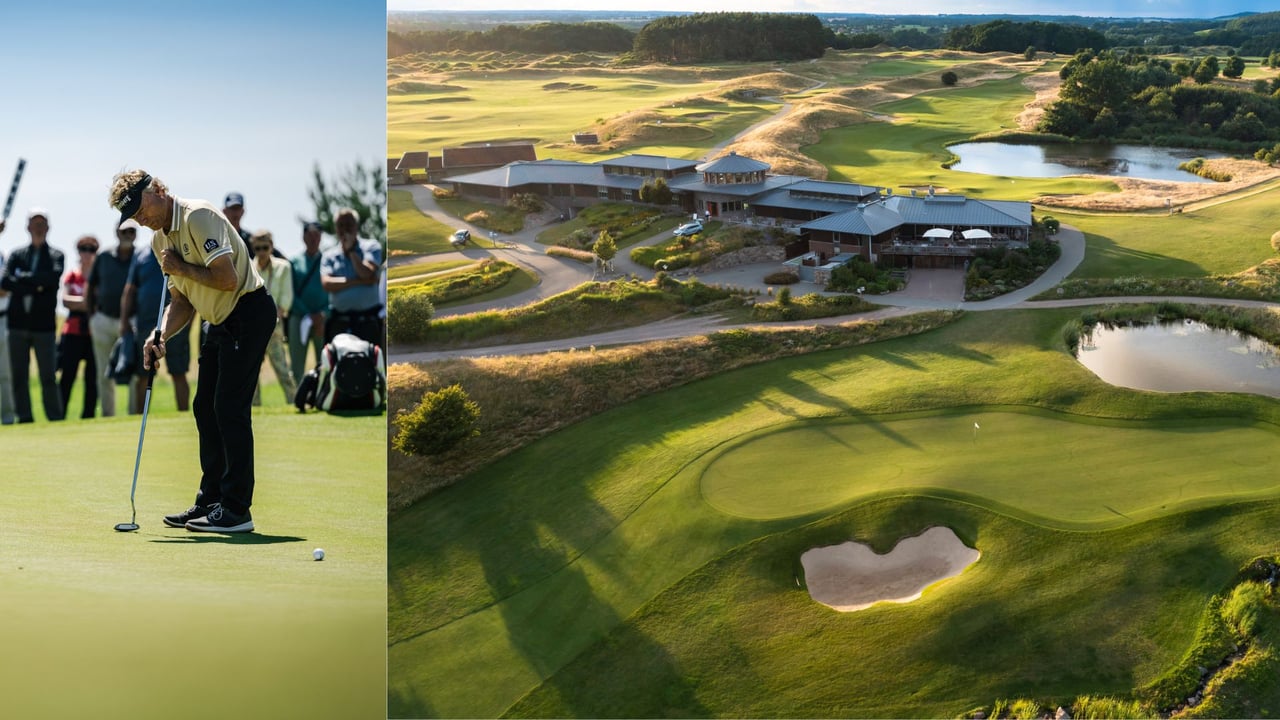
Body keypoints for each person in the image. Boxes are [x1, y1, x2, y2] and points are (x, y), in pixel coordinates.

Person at [111, 169, 274, 533]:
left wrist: (181, 267)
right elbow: (181, 302)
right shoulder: (158, 242)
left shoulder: (198, 216)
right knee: (204, 407)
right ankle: (211, 501)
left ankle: (236, 510)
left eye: (139, 207)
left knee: (229, 408)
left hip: (248, 311)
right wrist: (160, 335)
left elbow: (227, 278)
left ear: (157, 190)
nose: (139, 218)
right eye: (132, 214)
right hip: (217, 322)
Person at [0, 207, 65, 422]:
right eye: (34, 224)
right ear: (28, 227)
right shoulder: (17, 255)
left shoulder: (56, 255)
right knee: (19, 377)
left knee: (48, 376)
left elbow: (52, 279)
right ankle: (25, 418)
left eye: (41, 224)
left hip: (44, 326)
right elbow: (6, 281)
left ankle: (54, 418)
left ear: (48, 227)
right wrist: (36, 285)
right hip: (17, 325)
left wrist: (24, 280)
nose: (38, 228)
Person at [120, 234, 191, 413]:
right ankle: (139, 417)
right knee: (144, 373)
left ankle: (183, 415)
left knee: (178, 372)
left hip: (176, 324)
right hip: (145, 324)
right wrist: (124, 321)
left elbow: (191, 290)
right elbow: (130, 290)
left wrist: (190, 321)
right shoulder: (141, 254)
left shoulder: (178, 253)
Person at [86, 219, 137, 417]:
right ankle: (108, 415)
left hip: (132, 323)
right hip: (103, 319)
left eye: (131, 231)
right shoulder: (104, 257)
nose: (128, 235)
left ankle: (134, 414)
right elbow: (90, 287)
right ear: (116, 233)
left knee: (133, 370)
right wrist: (92, 317)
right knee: (104, 373)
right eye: (124, 231)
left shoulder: (141, 256)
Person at [321, 207, 383, 348]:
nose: (345, 229)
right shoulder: (329, 255)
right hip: (339, 321)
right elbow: (327, 284)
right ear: (336, 228)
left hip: (368, 321)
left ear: (356, 226)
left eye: (349, 225)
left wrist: (351, 252)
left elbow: (366, 273)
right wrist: (357, 281)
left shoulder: (371, 246)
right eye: (341, 225)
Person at [250, 229, 297, 404]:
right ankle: (254, 407)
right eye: (257, 248)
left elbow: (287, 300)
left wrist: (271, 314)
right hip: (252, 327)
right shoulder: (249, 267)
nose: (261, 252)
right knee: (252, 371)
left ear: (272, 247)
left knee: (282, 369)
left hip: (274, 327)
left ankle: (294, 402)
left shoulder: (283, 267)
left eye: (265, 247)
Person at [57, 235, 99, 418]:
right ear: (78, 252)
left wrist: (82, 303)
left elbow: (100, 302)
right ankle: (60, 414)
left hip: (92, 332)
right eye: (84, 249)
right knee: (67, 376)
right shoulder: (72, 275)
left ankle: (88, 415)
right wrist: (86, 302)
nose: (87, 254)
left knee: (92, 378)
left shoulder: (98, 277)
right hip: (72, 331)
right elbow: (65, 301)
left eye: (91, 250)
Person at [287, 220, 327, 384]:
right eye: (309, 235)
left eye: (316, 235)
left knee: (324, 361)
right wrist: (307, 315)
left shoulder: (328, 260)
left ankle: (322, 393)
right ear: (303, 237)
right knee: (297, 362)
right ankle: (298, 395)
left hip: (323, 319)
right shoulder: (294, 262)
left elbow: (333, 292)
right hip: (299, 317)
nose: (313, 239)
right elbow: (290, 293)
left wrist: (322, 315)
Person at [0, 220, 14, 424]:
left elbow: (5, 287)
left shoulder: (4, 256)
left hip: (3, 319)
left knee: (4, 374)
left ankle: (8, 419)